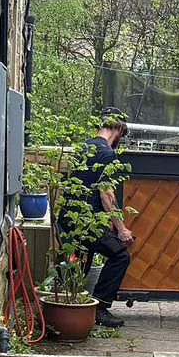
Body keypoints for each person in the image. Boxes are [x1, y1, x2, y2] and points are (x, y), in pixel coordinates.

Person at [73, 108, 134, 329]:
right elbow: (106, 194)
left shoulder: (83, 147)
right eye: (122, 134)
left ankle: (69, 305)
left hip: (70, 218)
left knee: (80, 262)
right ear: (118, 128)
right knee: (120, 255)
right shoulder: (107, 154)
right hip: (89, 221)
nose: (120, 139)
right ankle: (99, 308)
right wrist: (121, 229)